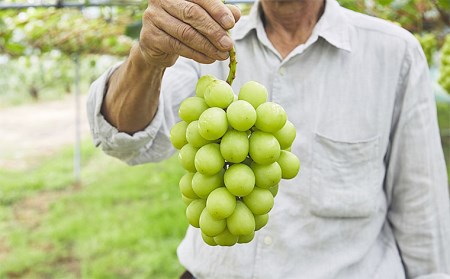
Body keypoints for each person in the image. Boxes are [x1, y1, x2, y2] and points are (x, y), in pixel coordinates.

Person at [87, 0, 450, 278]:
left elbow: (421, 207)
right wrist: (147, 59)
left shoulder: (394, 51)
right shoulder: (203, 39)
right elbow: (125, 140)